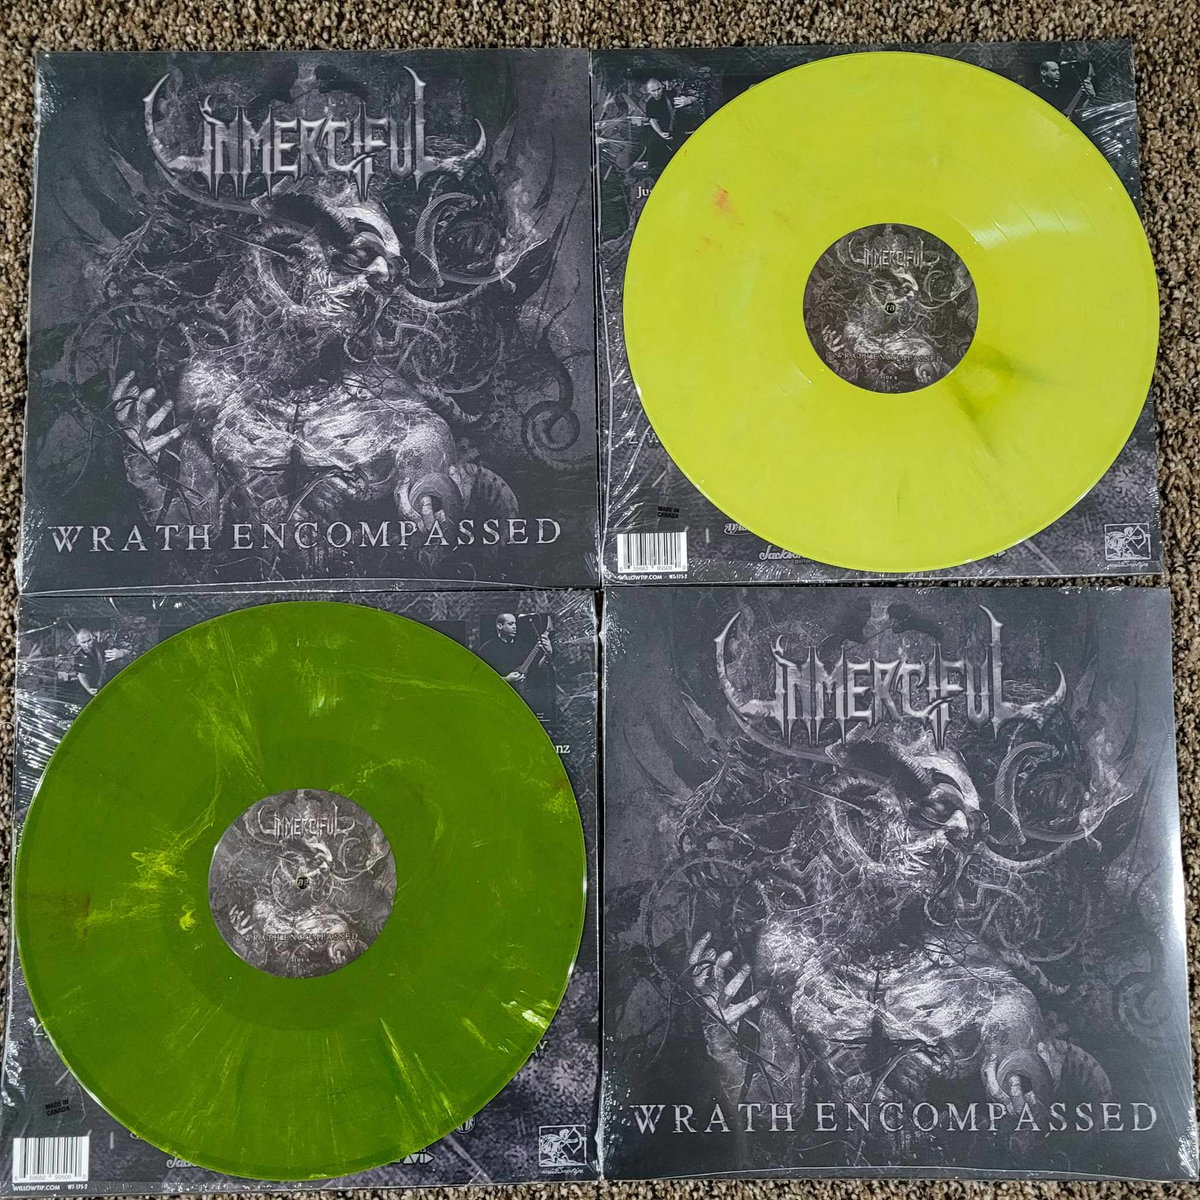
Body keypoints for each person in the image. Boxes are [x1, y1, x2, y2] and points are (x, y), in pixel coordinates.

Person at [68, 628, 128, 701]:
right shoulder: (79, 656)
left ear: (93, 638)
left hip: (113, 684)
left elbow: (127, 652)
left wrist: (122, 653)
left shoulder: (104, 646)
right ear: (78, 643)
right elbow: (80, 674)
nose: (87, 645)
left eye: (89, 641)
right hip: (96, 688)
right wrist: (88, 689)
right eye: (83, 642)